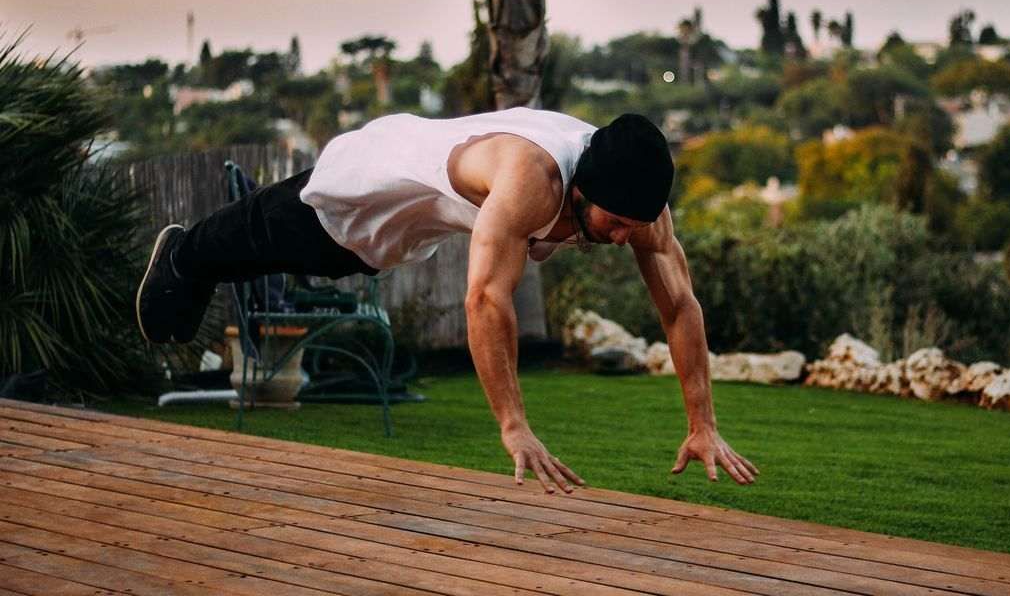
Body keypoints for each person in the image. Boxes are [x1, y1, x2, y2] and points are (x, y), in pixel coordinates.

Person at [137, 108, 758, 493]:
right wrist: (513, 426)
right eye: (615, 222)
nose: (624, 237)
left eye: (633, 226)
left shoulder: (640, 207)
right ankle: (185, 255)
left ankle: (196, 261)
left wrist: (702, 424)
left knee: (339, 264)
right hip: (379, 176)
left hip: (416, 225)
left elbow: (681, 308)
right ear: (581, 190)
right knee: (289, 241)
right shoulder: (531, 179)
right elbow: (486, 301)